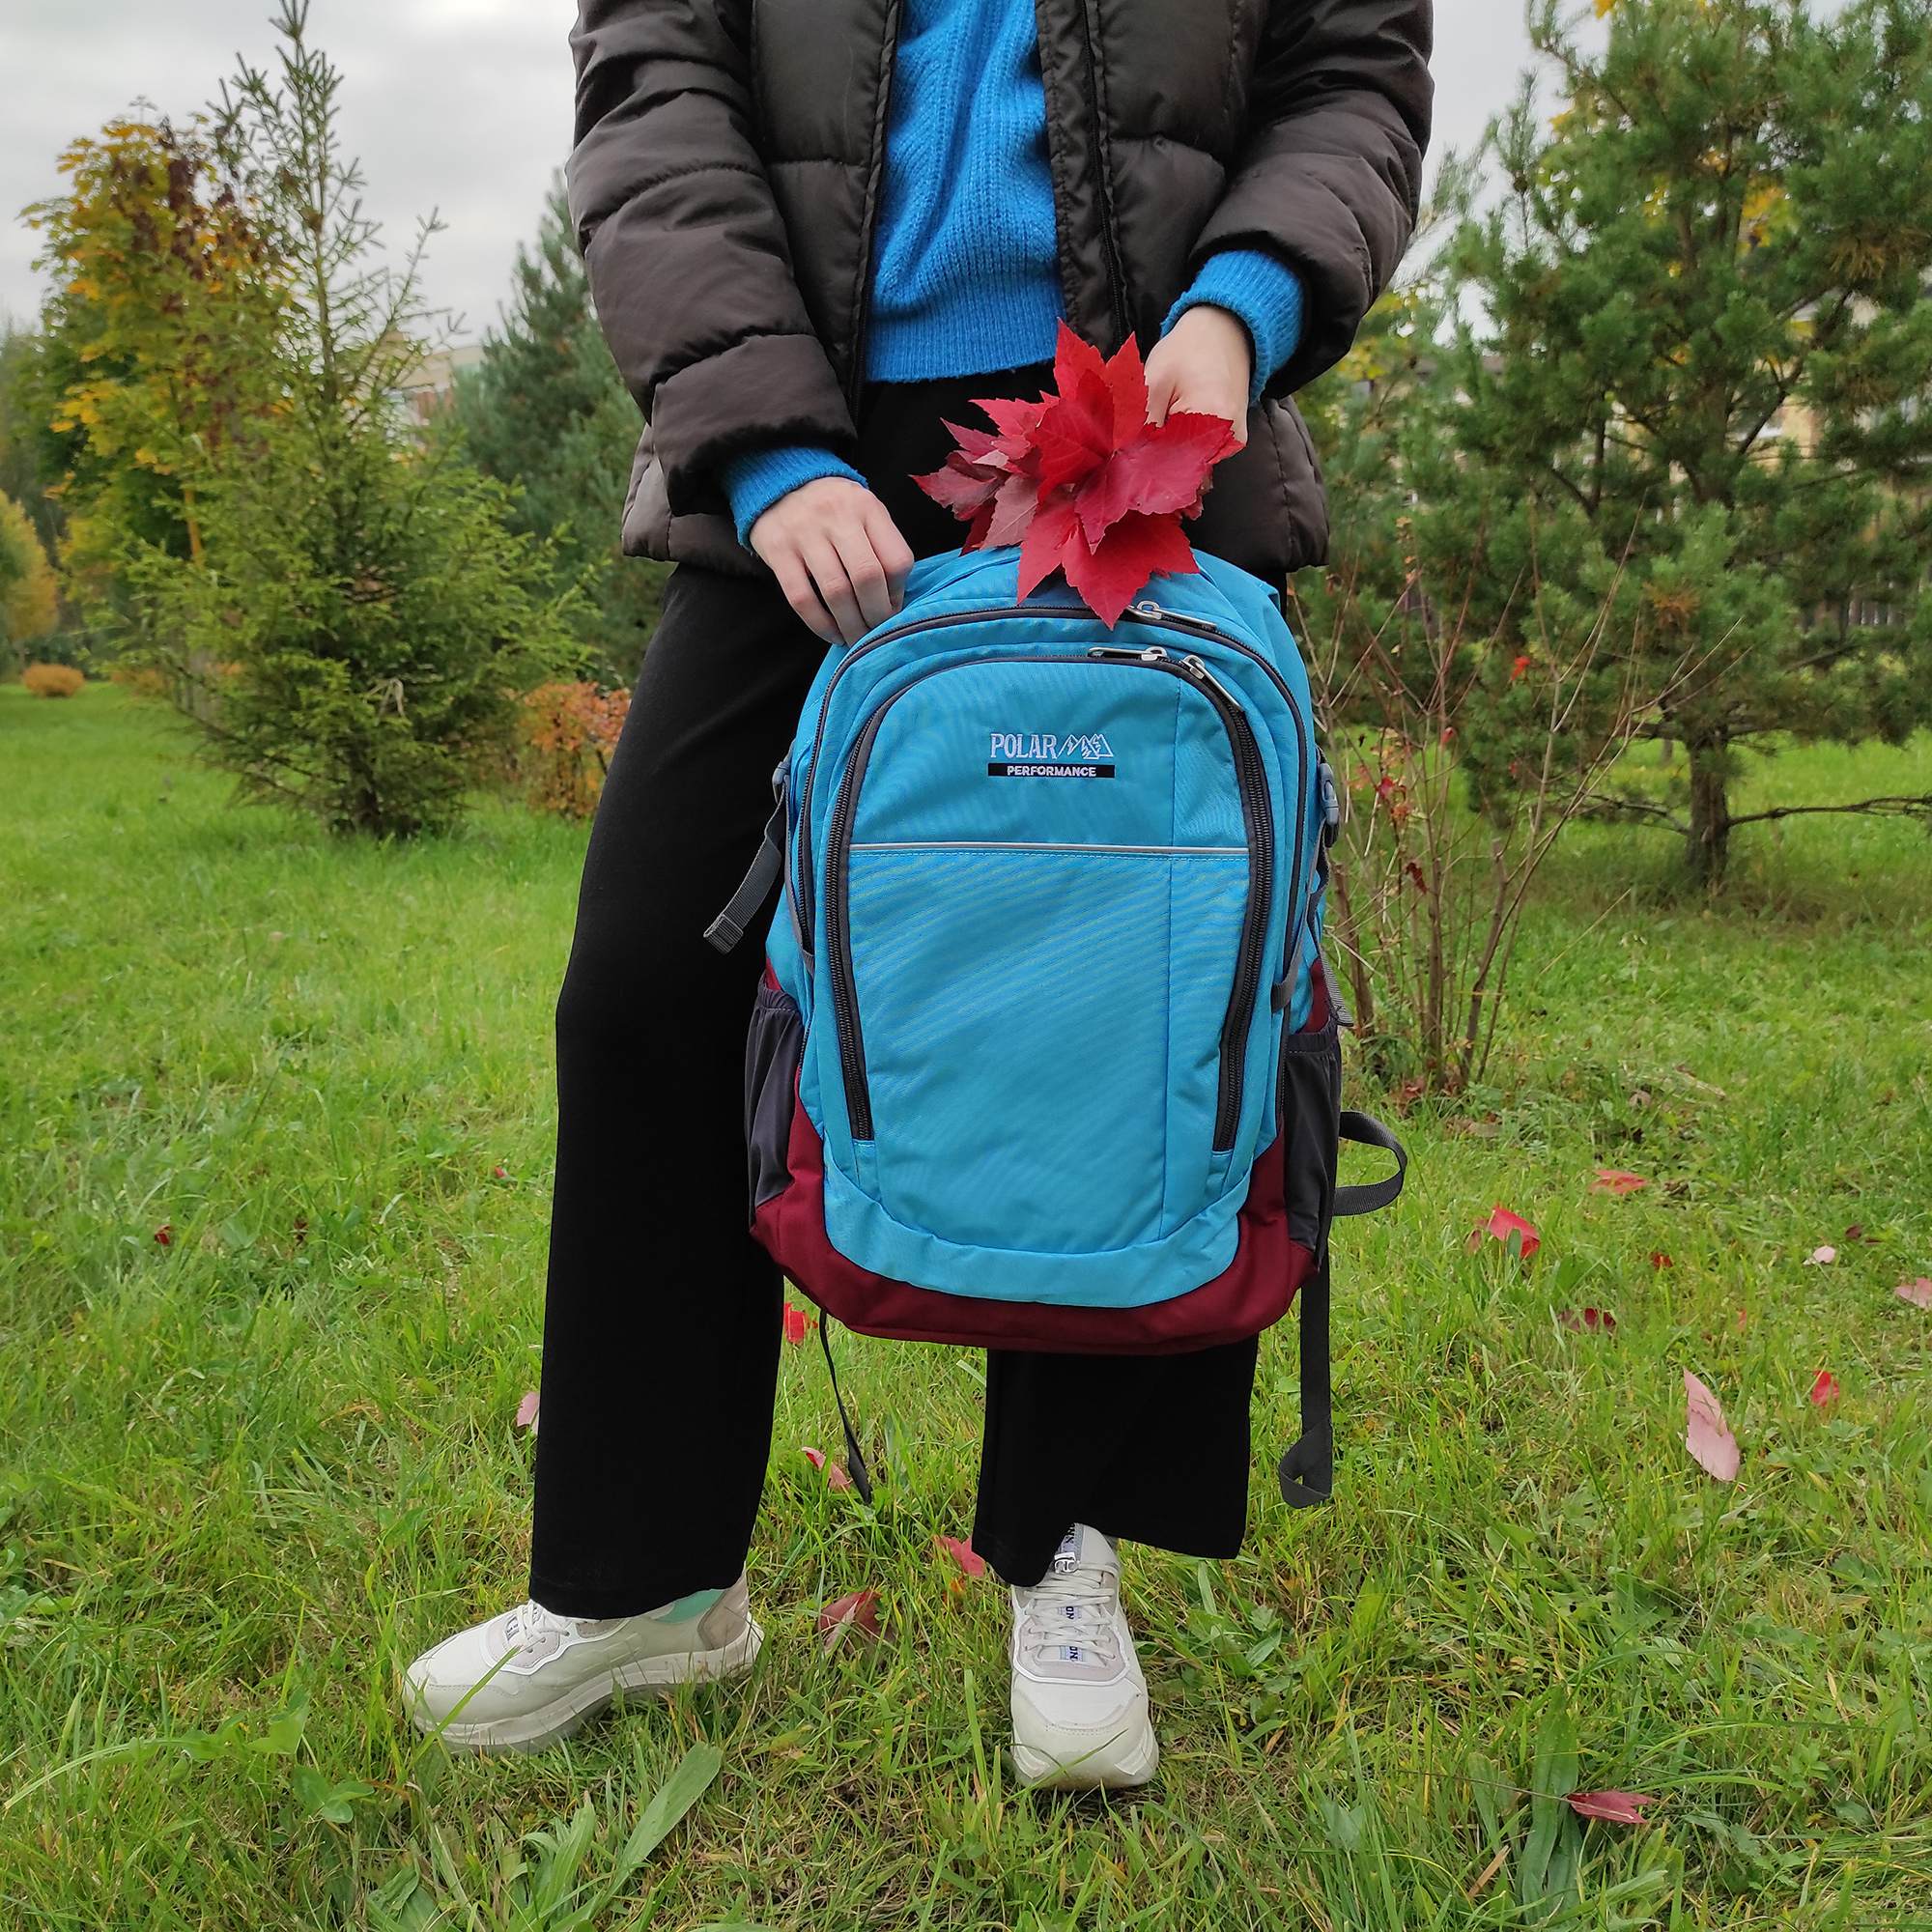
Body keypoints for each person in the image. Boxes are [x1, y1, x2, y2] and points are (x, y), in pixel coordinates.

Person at [406, 0, 1432, 1786]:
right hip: (808, 423)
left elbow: (1352, 65)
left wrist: (1242, 304)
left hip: (1143, 412)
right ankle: (651, 1586)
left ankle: (1065, 1553)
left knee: (1132, 989)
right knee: (651, 985)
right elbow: (657, 80)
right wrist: (759, 439)